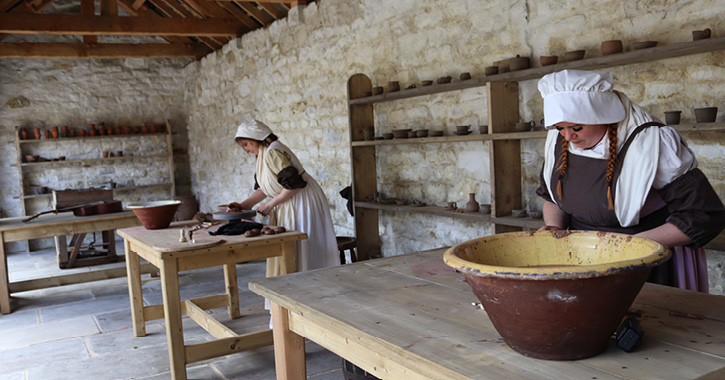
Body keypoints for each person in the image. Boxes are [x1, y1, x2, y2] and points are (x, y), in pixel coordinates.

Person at [535, 69, 725, 293]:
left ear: (602, 115)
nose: (567, 136)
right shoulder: (561, 139)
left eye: (577, 127)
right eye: (560, 128)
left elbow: (703, 215)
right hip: (583, 258)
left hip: (646, 261)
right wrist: (554, 227)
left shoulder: (651, 142)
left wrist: (630, 246)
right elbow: (552, 196)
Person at [227, 119, 340, 276]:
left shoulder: (273, 152)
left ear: (255, 138)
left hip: (302, 200)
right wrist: (242, 205)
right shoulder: (262, 155)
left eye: (246, 144)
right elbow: (265, 189)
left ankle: (310, 288)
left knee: (305, 247)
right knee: (291, 249)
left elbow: (293, 184)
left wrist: (269, 205)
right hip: (288, 200)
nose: (245, 150)